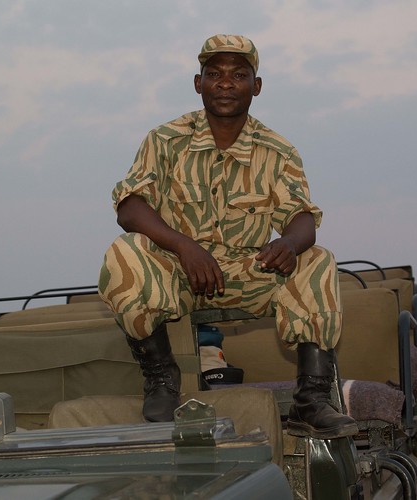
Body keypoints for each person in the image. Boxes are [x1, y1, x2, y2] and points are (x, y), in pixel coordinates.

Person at [98, 34, 357, 439]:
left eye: (238, 74)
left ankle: (312, 399)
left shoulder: (277, 150)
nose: (225, 83)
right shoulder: (165, 139)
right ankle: (162, 381)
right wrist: (184, 246)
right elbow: (130, 207)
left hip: (246, 273)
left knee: (316, 256)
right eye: (214, 73)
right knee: (125, 251)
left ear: (256, 86)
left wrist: (288, 244)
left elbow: (303, 216)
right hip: (177, 271)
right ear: (198, 83)